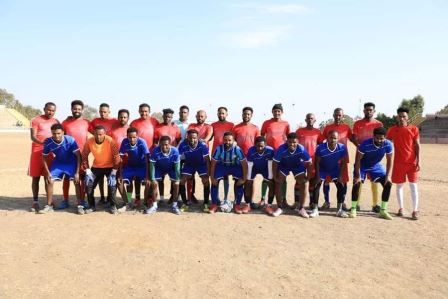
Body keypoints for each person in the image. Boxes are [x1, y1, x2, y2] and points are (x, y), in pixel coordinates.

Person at [350, 127, 393, 220]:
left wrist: (388, 176)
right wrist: (357, 176)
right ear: (373, 136)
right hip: (362, 165)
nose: (379, 140)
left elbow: (390, 161)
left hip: (375, 166)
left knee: (388, 183)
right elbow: (357, 161)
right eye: (377, 138)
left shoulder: (388, 144)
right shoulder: (365, 144)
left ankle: (383, 210)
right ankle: (353, 208)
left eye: (382, 138)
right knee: (356, 183)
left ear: (385, 137)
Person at [386, 107, 421, 220]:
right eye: (400, 116)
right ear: (397, 117)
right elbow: (387, 143)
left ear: (407, 117)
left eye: (404, 116)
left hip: (412, 163)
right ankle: (401, 208)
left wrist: (418, 160)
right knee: (399, 186)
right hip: (398, 163)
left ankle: (415, 210)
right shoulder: (392, 130)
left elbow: (417, 145)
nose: (401, 118)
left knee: (413, 186)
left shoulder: (414, 129)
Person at [39, 124, 82, 214]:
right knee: (50, 180)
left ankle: (80, 205)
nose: (56, 136)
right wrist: (48, 173)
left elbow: (78, 156)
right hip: (58, 163)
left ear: (63, 132)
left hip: (71, 162)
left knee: (76, 180)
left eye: (59, 133)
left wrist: (77, 172)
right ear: (51, 133)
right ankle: (49, 206)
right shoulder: (49, 142)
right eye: (54, 133)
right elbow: (43, 158)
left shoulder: (70, 139)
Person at [81, 125, 121, 214]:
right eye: (96, 134)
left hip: (110, 166)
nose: (98, 137)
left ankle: (113, 206)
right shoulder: (89, 142)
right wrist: (87, 170)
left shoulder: (110, 141)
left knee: (112, 185)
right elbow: (84, 155)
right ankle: (92, 206)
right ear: (93, 134)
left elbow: (116, 157)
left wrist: (114, 172)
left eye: (100, 134)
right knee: (88, 185)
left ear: (104, 134)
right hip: (96, 166)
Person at [352, 102, 384, 213]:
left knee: (374, 181)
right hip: (361, 156)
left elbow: (382, 139)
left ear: (374, 111)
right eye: (367, 109)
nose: (369, 111)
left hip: (374, 157)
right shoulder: (357, 124)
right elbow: (354, 138)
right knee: (358, 180)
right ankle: (356, 204)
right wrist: (361, 148)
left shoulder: (379, 124)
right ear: (363, 111)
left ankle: (375, 204)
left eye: (371, 110)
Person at [320, 108, 354, 210]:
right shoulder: (328, 128)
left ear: (342, 116)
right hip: (330, 158)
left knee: (343, 181)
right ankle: (327, 201)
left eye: (340, 115)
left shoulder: (346, 128)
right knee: (326, 180)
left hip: (343, 158)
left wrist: (361, 147)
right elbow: (322, 140)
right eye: (336, 115)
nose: (338, 117)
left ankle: (342, 202)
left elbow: (352, 138)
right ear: (333, 115)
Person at [309, 131, 349, 218]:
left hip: (335, 169)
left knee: (341, 187)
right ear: (327, 138)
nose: (333, 140)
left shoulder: (342, 147)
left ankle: (339, 209)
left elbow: (343, 162)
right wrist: (318, 175)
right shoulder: (320, 148)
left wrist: (340, 175)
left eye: (335, 138)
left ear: (338, 139)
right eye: (331, 138)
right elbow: (317, 162)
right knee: (316, 185)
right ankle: (315, 209)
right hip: (323, 169)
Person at [272, 132, 312, 217]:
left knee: (304, 183)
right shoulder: (281, 149)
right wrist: (274, 176)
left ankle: (301, 208)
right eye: (290, 142)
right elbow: (275, 163)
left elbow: (309, 163)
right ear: (287, 141)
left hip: (297, 166)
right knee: (278, 182)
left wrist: (308, 176)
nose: (292, 144)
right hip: (284, 165)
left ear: (298, 142)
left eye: (294, 142)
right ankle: (280, 207)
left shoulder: (301, 149)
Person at [28, 102, 59, 212]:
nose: (50, 112)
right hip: (37, 152)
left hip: (50, 153)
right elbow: (33, 137)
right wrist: (44, 144)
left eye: (53, 110)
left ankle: (49, 201)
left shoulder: (56, 121)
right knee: (35, 177)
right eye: (49, 110)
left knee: (48, 177)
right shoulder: (36, 120)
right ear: (44, 109)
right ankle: (35, 202)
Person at [60, 100, 90, 209]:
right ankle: (65, 200)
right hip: (68, 155)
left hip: (82, 154)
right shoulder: (65, 123)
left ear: (82, 110)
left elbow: (98, 132)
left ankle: (82, 200)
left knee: (82, 179)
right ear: (71, 109)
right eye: (75, 109)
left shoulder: (87, 122)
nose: (77, 111)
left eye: (79, 109)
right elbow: (59, 136)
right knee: (67, 178)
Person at [209, 132, 247, 214]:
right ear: (223, 140)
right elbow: (213, 163)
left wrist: (244, 178)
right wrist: (212, 177)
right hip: (222, 166)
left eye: (230, 140)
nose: (227, 142)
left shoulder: (237, 149)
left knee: (239, 182)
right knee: (214, 182)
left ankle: (237, 205)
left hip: (234, 166)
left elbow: (244, 164)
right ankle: (214, 204)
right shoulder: (219, 148)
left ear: (233, 141)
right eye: (225, 140)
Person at [261, 103, 291, 208]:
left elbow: (289, 138)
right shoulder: (266, 123)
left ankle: (284, 199)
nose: (277, 113)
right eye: (275, 111)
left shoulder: (286, 124)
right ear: (272, 112)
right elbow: (262, 137)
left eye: (279, 111)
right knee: (267, 176)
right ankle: (262, 199)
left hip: (282, 154)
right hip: (269, 153)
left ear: (282, 112)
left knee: (283, 177)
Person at [118, 127, 150, 212]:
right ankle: (127, 202)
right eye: (130, 137)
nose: (132, 139)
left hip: (142, 166)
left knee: (148, 182)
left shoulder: (142, 142)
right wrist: (120, 174)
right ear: (127, 136)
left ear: (137, 136)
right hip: (130, 166)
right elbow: (120, 158)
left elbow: (147, 159)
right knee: (120, 182)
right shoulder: (124, 142)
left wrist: (147, 175)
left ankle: (145, 203)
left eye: (134, 137)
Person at [178, 129, 211, 212]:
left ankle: (206, 203)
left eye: (195, 138)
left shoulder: (202, 145)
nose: (192, 140)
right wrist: (178, 171)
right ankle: (185, 203)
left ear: (198, 138)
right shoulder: (183, 145)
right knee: (182, 180)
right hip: (189, 164)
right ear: (187, 137)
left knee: (206, 181)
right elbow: (177, 159)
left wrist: (208, 173)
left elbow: (207, 160)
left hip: (201, 164)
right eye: (190, 138)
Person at [147, 136, 181, 215]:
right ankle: (154, 206)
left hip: (171, 168)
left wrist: (178, 179)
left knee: (176, 184)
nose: (164, 146)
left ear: (170, 144)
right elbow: (152, 165)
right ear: (159, 145)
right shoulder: (155, 151)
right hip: (159, 168)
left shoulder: (175, 151)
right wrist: (152, 178)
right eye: (162, 145)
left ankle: (175, 205)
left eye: (166, 145)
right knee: (154, 183)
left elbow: (177, 167)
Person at [153, 108, 181, 203]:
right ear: (163, 116)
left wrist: (174, 152)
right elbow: (155, 142)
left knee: (174, 179)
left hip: (172, 157)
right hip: (161, 157)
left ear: (172, 117)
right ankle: (161, 198)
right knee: (160, 180)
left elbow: (178, 141)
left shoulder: (175, 128)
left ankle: (173, 198)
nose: (167, 118)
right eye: (166, 116)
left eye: (169, 117)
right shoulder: (158, 128)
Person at [186, 110, 213, 203]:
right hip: (191, 156)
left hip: (203, 157)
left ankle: (206, 201)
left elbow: (207, 138)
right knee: (190, 178)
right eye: (199, 116)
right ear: (196, 116)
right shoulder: (191, 126)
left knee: (205, 179)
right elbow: (188, 137)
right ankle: (190, 197)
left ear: (206, 117)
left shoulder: (209, 127)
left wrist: (200, 141)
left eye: (202, 116)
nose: (200, 118)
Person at [296, 113, 322, 206]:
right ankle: (297, 203)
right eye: (308, 118)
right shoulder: (299, 131)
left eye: (312, 118)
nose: (310, 120)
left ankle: (312, 203)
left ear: (314, 120)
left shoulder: (318, 132)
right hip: (300, 160)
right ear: (305, 120)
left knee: (312, 181)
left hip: (313, 160)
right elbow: (294, 144)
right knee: (299, 181)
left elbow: (320, 145)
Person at [244, 136, 275, 213]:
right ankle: (247, 204)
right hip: (254, 168)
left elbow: (270, 164)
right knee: (248, 183)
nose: (260, 148)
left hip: (266, 168)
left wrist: (270, 178)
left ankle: (269, 205)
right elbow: (250, 165)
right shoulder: (251, 151)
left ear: (266, 145)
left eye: (262, 146)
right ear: (255, 145)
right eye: (258, 146)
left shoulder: (270, 151)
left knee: (271, 183)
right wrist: (249, 179)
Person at [211, 107, 235, 202]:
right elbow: (209, 137)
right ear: (217, 114)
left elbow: (233, 139)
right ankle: (215, 198)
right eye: (220, 113)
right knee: (214, 176)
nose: (221, 115)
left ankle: (225, 198)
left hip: (227, 155)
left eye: (223, 113)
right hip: (216, 154)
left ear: (227, 114)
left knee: (225, 176)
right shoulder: (213, 125)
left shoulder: (231, 125)